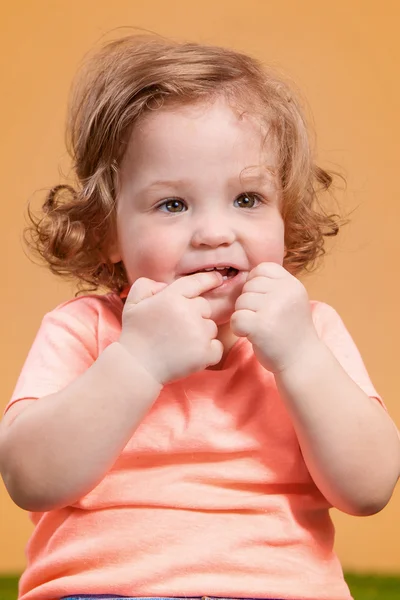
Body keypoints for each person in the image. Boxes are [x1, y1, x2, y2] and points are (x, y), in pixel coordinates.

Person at [0, 34, 399, 600]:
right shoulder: (84, 329)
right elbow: (30, 480)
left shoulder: (312, 331)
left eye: (247, 199)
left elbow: (370, 488)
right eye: (173, 204)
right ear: (110, 231)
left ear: (285, 212)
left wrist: (302, 357)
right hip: (108, 592)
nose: (215, 232)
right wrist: (137, 360)